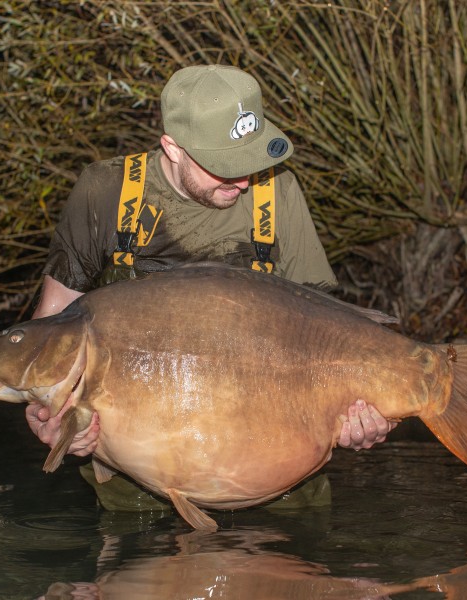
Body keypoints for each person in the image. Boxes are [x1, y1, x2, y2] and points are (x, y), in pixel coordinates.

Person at [25, 64, 397, 509]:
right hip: (138, 483)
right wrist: (48, 416)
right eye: (225, 166)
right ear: (173, 148)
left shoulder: (278, 191)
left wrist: (359, 411)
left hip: (275, 479)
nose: (244, 181)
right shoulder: (106, 191)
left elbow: (326, 335)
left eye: (252, 159)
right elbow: (49, 328)